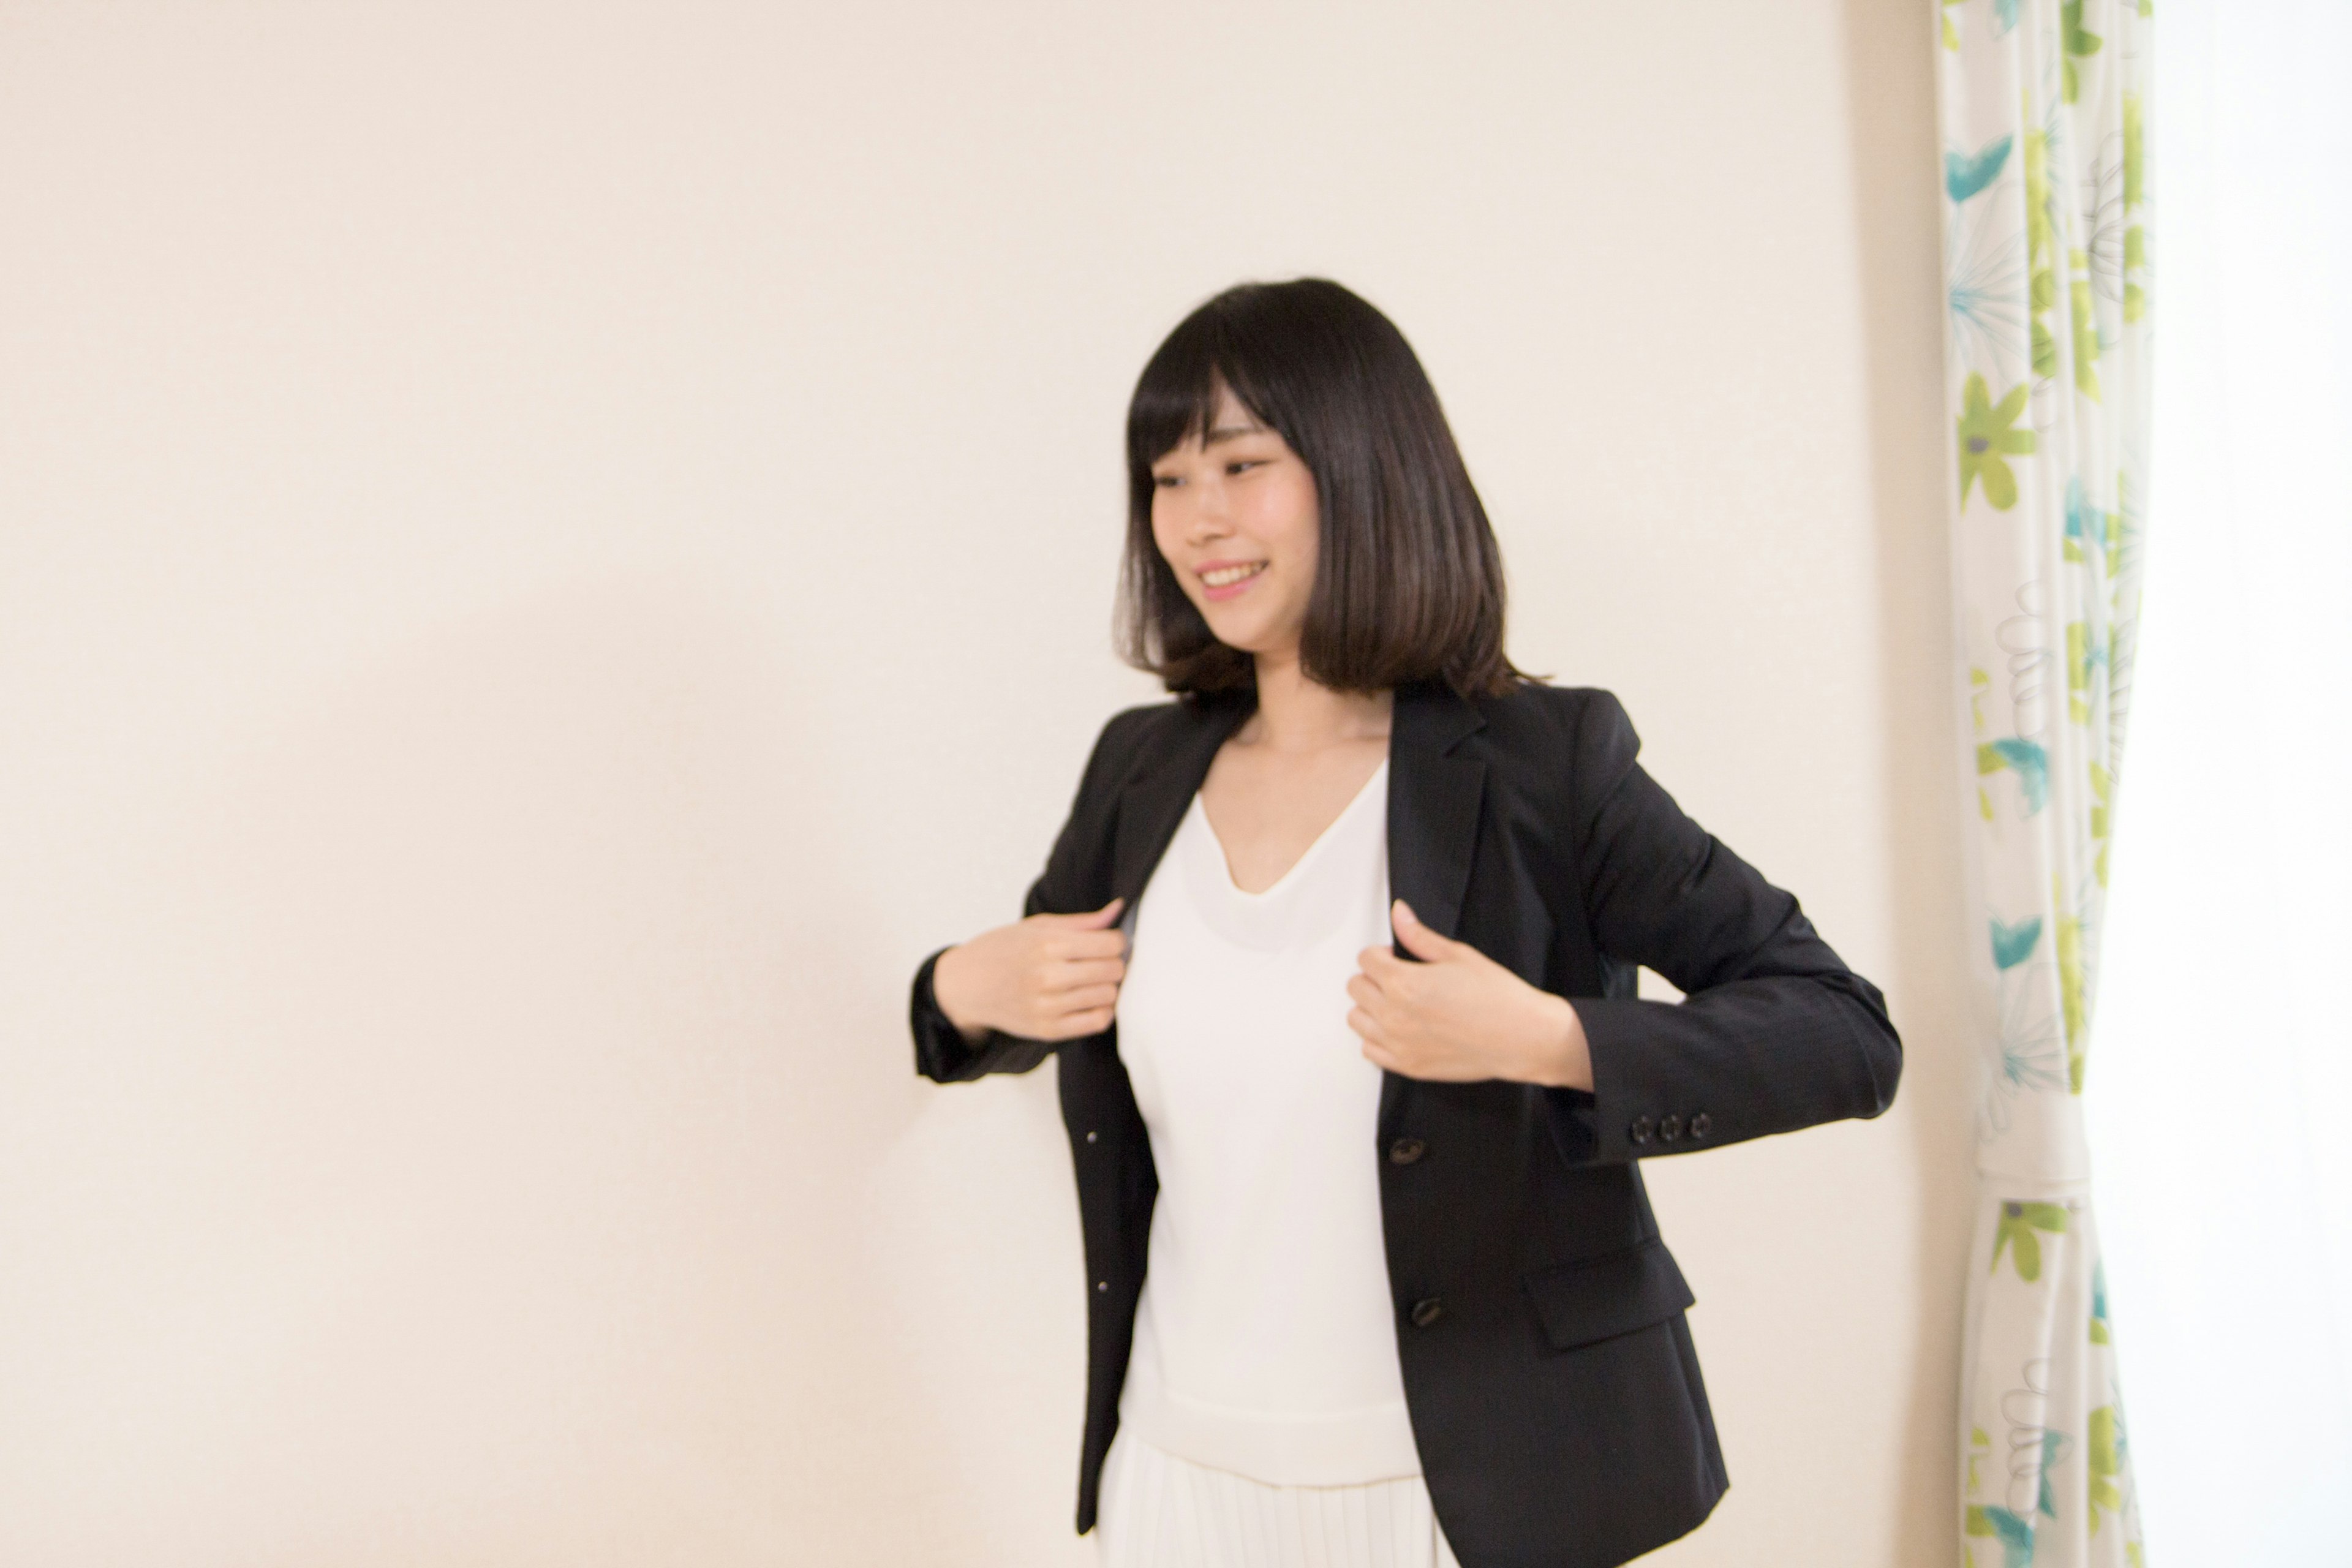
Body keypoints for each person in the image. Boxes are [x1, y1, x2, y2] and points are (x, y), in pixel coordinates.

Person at [906, 278, 1902, 1568]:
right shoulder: (1137, 767)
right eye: (1164, 480)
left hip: (1461, 1493)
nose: (1195, 519)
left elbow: (1844, 1031)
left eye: (1240, 465)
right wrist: (960, 984)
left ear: (1361, 467)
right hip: (1174, 1476)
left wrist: (1551, 1035)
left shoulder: (1545, 762)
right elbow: (1002, 1011)